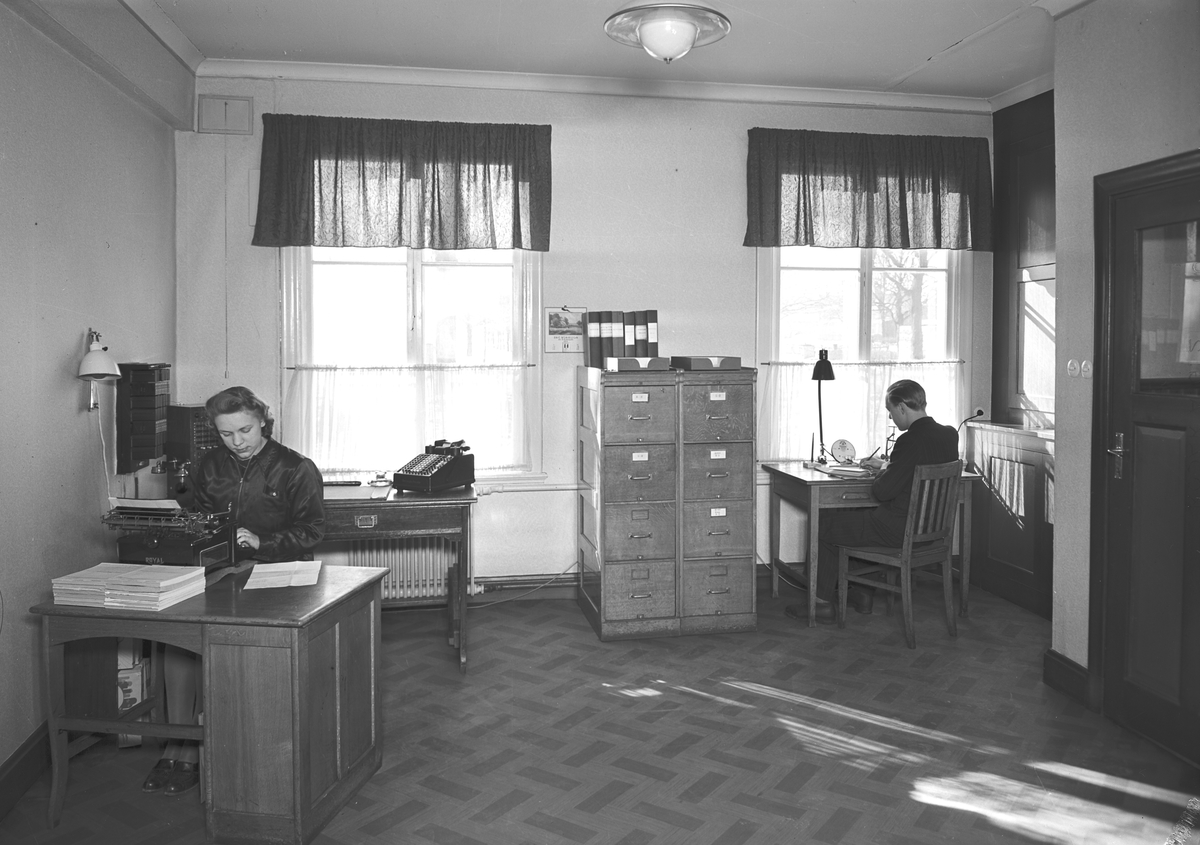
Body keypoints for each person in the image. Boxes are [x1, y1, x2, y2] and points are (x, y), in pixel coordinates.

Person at [143, 386, 325, 796]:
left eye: (245, 430)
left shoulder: (295, 468)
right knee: (179, 640)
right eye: (227, 434)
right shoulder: (210, 465)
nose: (237, 442)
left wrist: (262, 542)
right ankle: (178, 744)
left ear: (263, 422)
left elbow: (313, 530)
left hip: (275, 573)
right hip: (221, 571)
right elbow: (198, 517)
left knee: (220, 641)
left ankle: (204, 749)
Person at [786, 379, 959, 624]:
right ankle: (862, 594)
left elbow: (883, 491)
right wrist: (889, 465)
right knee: (856, 517)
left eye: (891, 411)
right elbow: (919, 466)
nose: (891, 418)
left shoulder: (909, 440)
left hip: (896, 530)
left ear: (901, 407)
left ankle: (821, 604)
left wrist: (882, 472)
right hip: (930, 533)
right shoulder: (949, 434)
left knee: (822, 524)